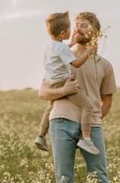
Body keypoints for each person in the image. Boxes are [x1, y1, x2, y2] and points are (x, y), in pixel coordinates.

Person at [38, 11, 116, 183]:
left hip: (92, 127)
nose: (79, 28)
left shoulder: (105, 65)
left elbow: (106, 101)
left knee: (100, 178)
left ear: (96, 33)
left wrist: (92, 123)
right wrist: (64, 90)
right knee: (63, 181)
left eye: (85, 25)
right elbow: (43, 92)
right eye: (77, 24)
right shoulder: (61, 55)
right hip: (60, 122)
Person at [35, 11, 99, 155]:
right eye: (72, 28)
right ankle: (86, 138)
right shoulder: (62, 48)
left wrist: (73, 43)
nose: (73, 30)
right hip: (63, 82)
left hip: (51, 82)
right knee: (87, 105)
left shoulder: (50, 45)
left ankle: (41, 135)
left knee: (50, 107)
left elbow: (62, 50)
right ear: (63, 33)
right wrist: (89, 52)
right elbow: (76, 63)